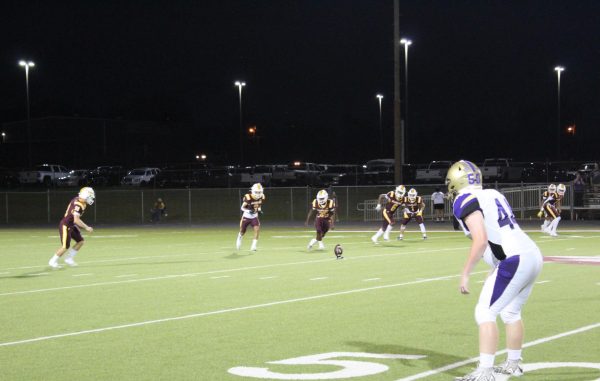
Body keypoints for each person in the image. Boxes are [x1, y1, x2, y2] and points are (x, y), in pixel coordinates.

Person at [447, 160, 543, 381]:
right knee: (511, 312)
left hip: (514, 258)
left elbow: (480, 240)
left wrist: (465, 273)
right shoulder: (493, 193)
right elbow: (497, 236)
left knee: (484, 313)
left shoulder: (465, 199)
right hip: (532, 254)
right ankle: (513, 364)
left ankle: (485, 372)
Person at [48, 187, 95, 268]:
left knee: (80, 241)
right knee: (65, 246)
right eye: (89, 196)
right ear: (85, 196)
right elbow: (76, 220)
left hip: (71, 225)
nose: (90, 198)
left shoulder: (79, 200)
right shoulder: (78, 205)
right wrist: (86, 227)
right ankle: (52, 261)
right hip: (65, 225)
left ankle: (69, 259)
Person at [236, 183, 265, 251]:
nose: (258, 194)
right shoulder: (248, 197)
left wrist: (259, 210)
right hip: (246, 216)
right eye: (257, 192)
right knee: (242, 231)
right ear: (253, 191)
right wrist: (249, 211)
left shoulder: (262, 196)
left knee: (257, 230)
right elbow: (242, 208)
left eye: (259, 192)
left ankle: (253, 246)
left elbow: (259, 205)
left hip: (254, 217)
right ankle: (239, 237)